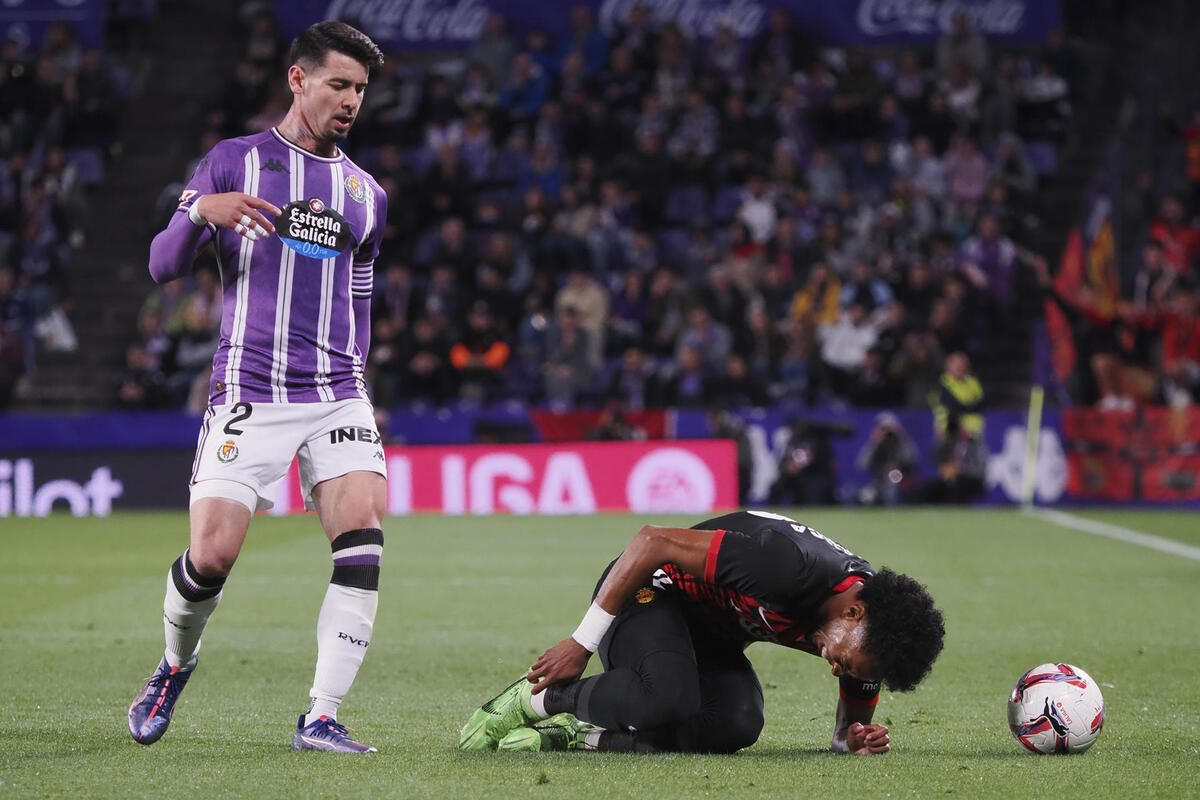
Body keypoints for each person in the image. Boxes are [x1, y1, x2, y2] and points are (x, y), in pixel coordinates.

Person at [128, 22, 388, 754]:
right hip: (251, 391)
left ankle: (322, 716)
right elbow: (160, 267)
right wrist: (196, 210)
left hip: (337, 394)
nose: (350, 102)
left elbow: (359, 296)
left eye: (361, 90)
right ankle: (175, 665)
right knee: (211, 556)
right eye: (338, 84)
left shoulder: (366, 195)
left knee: (363, 536)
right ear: (298, 80)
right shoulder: (233, 161)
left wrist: (359, 381)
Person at [458, 509, 944, 754]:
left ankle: (580, 735)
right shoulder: (787, 566)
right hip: (645, 593)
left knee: (737, 723)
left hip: (706, 636)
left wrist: (851, 741)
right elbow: (652, 542)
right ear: (855, 614)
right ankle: (536, 700)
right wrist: (581, 643)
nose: (836, 667)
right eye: (844, 661)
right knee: (671, 697)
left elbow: (844, 735)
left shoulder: (874, 637)